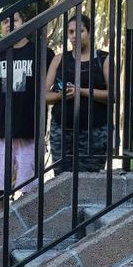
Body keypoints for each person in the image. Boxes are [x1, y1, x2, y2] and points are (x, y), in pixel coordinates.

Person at [0, 11, 53, 203]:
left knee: (28, 196)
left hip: (30, 133)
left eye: (15, 20)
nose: (9, 24)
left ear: (24, 23)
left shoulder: (41, 53)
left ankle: (23, 234)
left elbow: (50, 88)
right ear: (0, 27)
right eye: (5, 21)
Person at [46, 13, 111, 173]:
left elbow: (112, 96)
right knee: (61, 180)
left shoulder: (103, 59)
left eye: (79, 31)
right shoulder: (59, 59)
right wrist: (61, 95)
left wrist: (81, 91)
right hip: (61, 131)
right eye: (70, 32)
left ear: (89, 32)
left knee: (89, 182)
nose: (74, 36)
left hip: (94, 132)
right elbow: (44, 95)